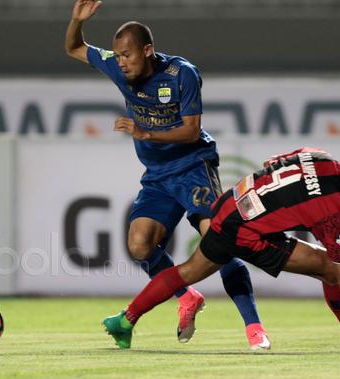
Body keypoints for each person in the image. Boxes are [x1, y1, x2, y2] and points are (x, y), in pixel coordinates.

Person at [65, 0, 270, 349]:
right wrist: (76, 20)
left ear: (147, 50)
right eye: (117, 55)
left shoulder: (181, 74)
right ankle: (187, 297)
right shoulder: (118, 68)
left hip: (194, 167)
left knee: (218, 242)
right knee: (139, 244)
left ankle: (254, 328)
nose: (122, 61)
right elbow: (73, 47)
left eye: (128, 54)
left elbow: (191, 131)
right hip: (159, 176)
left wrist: (145, 133)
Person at [103, 142, 340, 353]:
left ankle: (125, 320)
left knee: (189, 271)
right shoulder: (334, 210)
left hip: (227, 207)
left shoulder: (318, 156)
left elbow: (272, 162)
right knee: (331, 269)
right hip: (247, 233)